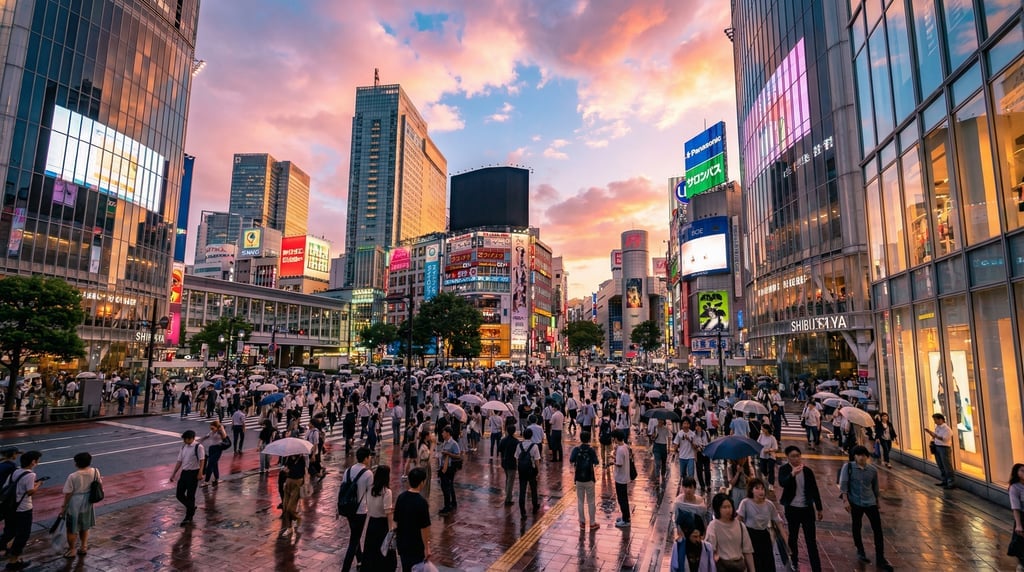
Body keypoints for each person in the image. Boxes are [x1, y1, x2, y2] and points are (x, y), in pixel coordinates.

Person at [839, 445, 893, 570]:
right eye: (858, 455)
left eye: (863, 455)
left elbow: (875, 487)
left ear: (867, 457)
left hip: (870, 502)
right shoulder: (848, 468)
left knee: (878, 530)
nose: (861, 458)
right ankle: (860, 550)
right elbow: (844, 485)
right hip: (855, 502)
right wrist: (845, 500)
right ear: (854, 456)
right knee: (856, 526)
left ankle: (880, 557)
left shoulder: (872, 470)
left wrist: (877, 501)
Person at [778, 446, 823, 572]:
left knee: (811, 540)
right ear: (788, 457)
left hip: (807, 509)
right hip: (792, 509)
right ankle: (794, 560)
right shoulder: (784, 469)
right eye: (793, 456)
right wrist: (792, 474)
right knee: (793, 536)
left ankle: (816, 567)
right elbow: (782, 483)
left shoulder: (807, 471)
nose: (796, 458)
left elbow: (814, 489)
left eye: (798, 455)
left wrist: (819, 508)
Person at [0, 451, 42, 570]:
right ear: (33, 461)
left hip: (10, 508)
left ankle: (3, 547)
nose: (38, 462)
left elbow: (6, 486)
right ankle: (14, 562)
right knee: (23, 534)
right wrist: (38, 484)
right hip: (23, 509)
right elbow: (30, 492)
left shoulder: (16, 471)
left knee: (9, 530)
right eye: (37, 460)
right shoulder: (30, 475)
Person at [736, 478, 786, 572]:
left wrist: (786, 541)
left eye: (762, 488)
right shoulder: (746, 502)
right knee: (754, 565)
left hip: (764, 535)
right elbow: (738, 521)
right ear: (752, 490)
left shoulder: (769, 504)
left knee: (768, 564)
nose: (761, 491)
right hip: (750, 536)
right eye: (757, 488)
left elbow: (778, 523)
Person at [59, 452, 101, 558]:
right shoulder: (95, 471)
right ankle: (83, 547)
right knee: (85, 526)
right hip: (88, 502)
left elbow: (68, 493)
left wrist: (64, 506)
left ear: (76, 463)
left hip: (75, 503)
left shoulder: (73, 476)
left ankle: (72, 550)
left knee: (72, 528)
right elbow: (99, 483)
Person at [341, 447, 373, 572]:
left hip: (348, 509)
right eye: (369, 457)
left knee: (355, 534)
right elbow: (370, 493)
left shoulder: (348, 471)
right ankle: (346, 568)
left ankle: (360, 559)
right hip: (360, 510)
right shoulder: (368, 473)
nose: (369, 459)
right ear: (365, 458)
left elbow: (343, 488)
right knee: (354, 540)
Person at [705, 493, 755, 572]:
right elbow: (710, 549)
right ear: (718, 509)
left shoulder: (740, 525)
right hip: (722, 567)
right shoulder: (713, 526)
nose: (728, 510)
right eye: (724, 507)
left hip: (739, 566)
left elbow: (748, 551)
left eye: (729, 506)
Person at [395, 467, 432, 572]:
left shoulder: (401, 498)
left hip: (402, 543)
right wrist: (427, 547)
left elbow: (396, 520)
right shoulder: (422, 503)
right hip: (416, 546)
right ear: (422, 483)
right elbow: (424, 528)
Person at [361, 465, 395, 570]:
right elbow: (388, 513)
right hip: (382, 524)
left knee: (370, 550)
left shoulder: (370, 488)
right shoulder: (387, 492)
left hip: (371, 522)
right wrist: (391, 530)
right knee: (382, 550)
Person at [169, 430, 205, 527]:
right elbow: (179, 461)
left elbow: (202, 460)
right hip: (184, 473)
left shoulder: (198, 447)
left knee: (190, 495)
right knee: (179, 494)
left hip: (194, 473)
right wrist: (173, 473)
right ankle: (191, 507)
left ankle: (188, 517)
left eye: (186, 439)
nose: (184, 441)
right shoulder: (183, 446)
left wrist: (200, 472)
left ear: (192, 438)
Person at [569, 430, 600, 529]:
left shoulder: (576, 449)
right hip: (589, 478)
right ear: (589, 439)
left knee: (580, 501)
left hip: (578, 478)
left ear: (580, 438)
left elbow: (571, 460)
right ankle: (592, 523)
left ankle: (582, 522)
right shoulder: (591, 450)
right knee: (591, 501)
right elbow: (596, 462)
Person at [515, 427, 541, 518]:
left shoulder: (519, 445)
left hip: (522, 470)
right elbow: (537, 460)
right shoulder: (534, 446)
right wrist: (538, 470)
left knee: (522, 490)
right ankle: (535, 506)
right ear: (531, 436)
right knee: (533, 488)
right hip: (531, 470)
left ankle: (523, 512)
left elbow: (517, 458)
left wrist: (519, 468)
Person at [924, 413, 955, 488]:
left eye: (935, 420)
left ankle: (950, 482)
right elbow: (936, 436)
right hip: (937, 446)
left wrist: (935, 435)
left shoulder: (947, 429)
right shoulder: (938, 427)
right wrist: (930, 433)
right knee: (940, 465)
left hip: (944, 448)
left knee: (947, 465)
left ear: (941, 419)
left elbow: (944, 439)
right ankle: (944, 480)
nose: (935, 421)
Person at [279, 453, 306, 537]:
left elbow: (300, 472)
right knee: (285, 506)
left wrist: (290, 470)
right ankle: (289, 527)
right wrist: (285, 471)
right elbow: (286, 471)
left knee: (290, 508)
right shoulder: (288, 458)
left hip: (297, 484)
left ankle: (297, 517)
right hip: (288, 483)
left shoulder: (301, 459)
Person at [438, 425, 461, 515]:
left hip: (449, 468)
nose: (442, 434)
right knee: (449, 485)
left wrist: (448, 453)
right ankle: (453, 502)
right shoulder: (445, 442)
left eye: (443, 432)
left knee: (446, 487)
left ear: (447, 433)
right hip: (443, 466)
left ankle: (447, 506)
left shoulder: (453, 443)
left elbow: (458, 455)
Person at [612, 429, 632, 528]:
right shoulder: (625, 447)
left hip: (620, 478)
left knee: (622, 499)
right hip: (624, 476)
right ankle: (625, 516)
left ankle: (625, 520)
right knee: (624, 498)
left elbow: (619, 464)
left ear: (616, 438)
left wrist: (612, 461)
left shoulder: (620, 449)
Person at [497, 425, 521, 506]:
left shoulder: (503, 440)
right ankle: (508, 498)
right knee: (510, 480)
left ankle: (508, 494)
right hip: (512, 463)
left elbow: (499, 450)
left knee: (508, 478)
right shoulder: (516, 442)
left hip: (504, 461)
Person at [1009, 463, 1024, 572]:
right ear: (1017, 473)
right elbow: (1015, 507)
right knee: (1021, 542)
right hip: (1023, 517)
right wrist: (1018, 524)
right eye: (1022, 471)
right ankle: (1021, 563)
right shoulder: (1014, 487)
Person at [756, 425, 779, 491]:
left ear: (767, 429)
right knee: (763, 469)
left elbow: (775, 448)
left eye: (763, 429)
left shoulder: (772, 438)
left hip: (770, 456)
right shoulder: (761, 436)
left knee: (771, 469)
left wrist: (769, 450)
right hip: (762, 456)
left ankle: (771, 484)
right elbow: (758, 443)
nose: (762, 430)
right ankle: (766, 475)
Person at [416, 430, 434, 502]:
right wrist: (433, 446)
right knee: (424, 482)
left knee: (427, 482)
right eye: (430, 435)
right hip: (424, 466)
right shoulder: (423, 446)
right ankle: (423, 498)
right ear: (426, 436)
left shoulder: (426, 444)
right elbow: (428, 458)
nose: (431, 436)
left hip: (426, 465)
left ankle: (425, 497)